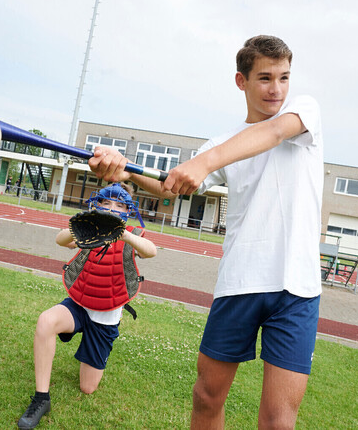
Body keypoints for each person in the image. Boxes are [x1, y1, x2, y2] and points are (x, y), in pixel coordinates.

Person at [88, 35, 323, 429]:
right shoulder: (222, 142)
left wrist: (204, 163)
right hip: (240, 281)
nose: (276, 89)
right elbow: (170, 185)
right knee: (205, 397)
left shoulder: (303, 112)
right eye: (265, 78)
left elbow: (274, 133)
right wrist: (124, 169)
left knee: (279, 421)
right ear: (241, 81)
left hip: (297, 290)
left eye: (284, 77)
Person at [17, 182, 157, 429]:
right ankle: (41, 398)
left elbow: (151, 251)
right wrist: (81, 227)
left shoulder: (132, 234)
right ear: (98, 203)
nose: (112, 208)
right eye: (106, 202)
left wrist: (122, 233)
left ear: (128, 209)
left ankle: (88, 348)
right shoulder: (89, 229)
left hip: (106, 315)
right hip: (79, 304)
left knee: (87, 387)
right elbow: (61, 240)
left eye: (120, 204)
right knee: (46, 321)